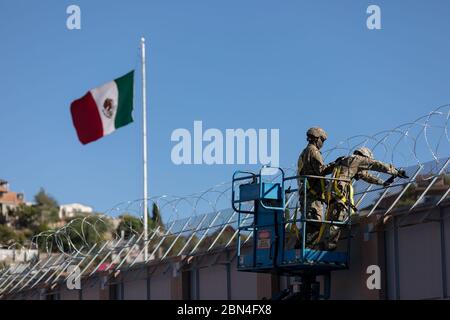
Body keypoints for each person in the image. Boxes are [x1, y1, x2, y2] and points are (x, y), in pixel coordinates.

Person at [316, 146, 408, 250]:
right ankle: (327, 249)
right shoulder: (358, 159)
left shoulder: (344, 160)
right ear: (364, 156)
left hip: (331, 194)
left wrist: (382, 182)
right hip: (339, 194)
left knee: (330, 220)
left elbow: (365, 175)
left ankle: (321, 246)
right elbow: (377, 165)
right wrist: (396, 171)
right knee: (336, 221)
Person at [296, 127, 335, 246]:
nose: (322, 143)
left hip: (308, 192)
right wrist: (336, 165)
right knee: (314, 224)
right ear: (317, 139)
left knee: (309, 223)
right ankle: (306, 249)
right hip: (312, 195)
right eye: (322, 140)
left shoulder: (305, 151)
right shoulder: (313, 151)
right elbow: (321, 170)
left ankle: (301, 247)